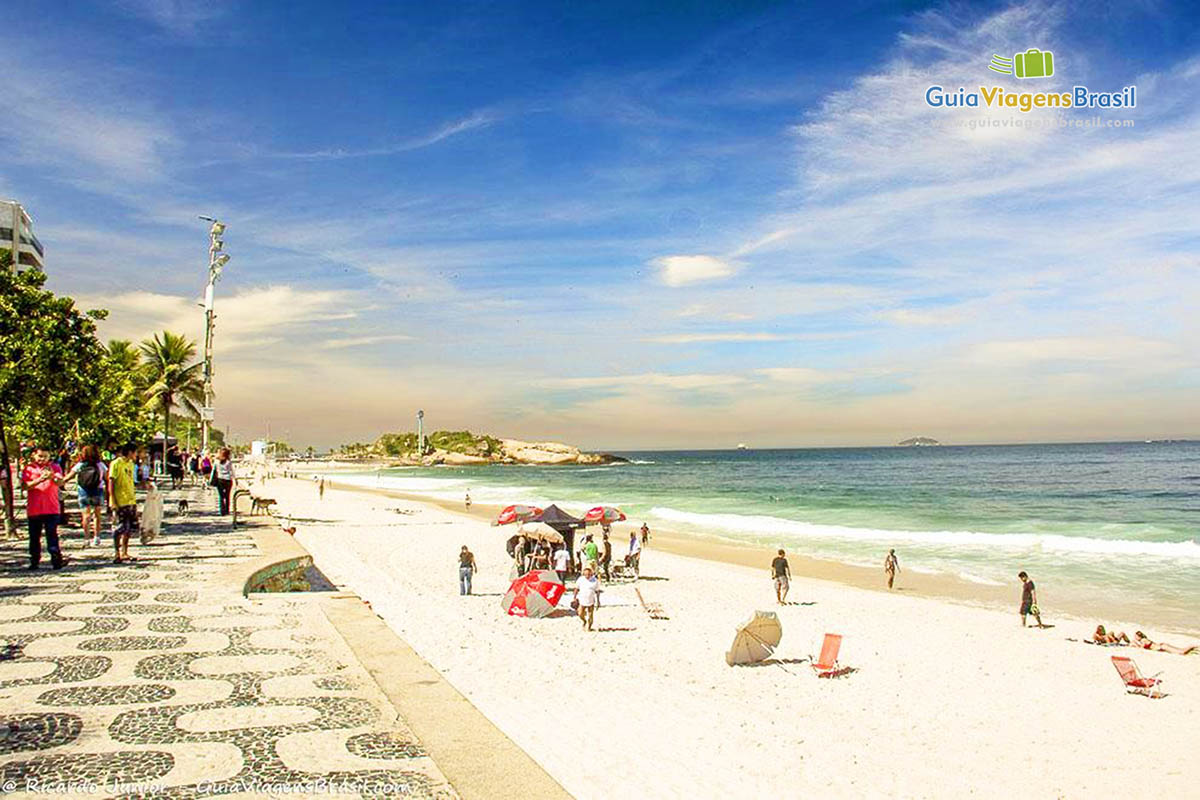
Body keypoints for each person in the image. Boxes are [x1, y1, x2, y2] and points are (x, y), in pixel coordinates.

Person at [20, 447, 68, 570]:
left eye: (45, 456)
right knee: (34, 537)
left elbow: (60, 482)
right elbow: (25, 486)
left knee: (52, 535)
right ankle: (34, 560)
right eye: (40, 456)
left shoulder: (55, 467)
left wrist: (52, 477)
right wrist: (39, 479)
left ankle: (56, 559)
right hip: (34, 509)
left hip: (51, 508)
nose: (42, 459)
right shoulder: (29, 468)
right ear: (34, 456)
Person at [69, 444, 107, 547]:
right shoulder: (101, 465)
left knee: (86, 516)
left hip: (83, 491)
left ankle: (86, 538)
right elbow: (107, 479)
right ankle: (97, 537)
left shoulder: (80, 465)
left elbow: (67, 477)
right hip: (97, 490)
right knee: (97, 515)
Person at [108, 443, 138, 564]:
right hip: (119, 501)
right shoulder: (116, 463)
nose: (136, 455)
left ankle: (125, 551)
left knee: (128, 528)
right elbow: (111, 482)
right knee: (118, 528)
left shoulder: (131, 464)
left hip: (130, 500)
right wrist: (112, 500)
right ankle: (116, 553)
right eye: (135, 452)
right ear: (130, 452)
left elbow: (132, 481)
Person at [574, 566, 600, 631]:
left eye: (588, 574)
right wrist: (574, 597)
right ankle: (584, 621)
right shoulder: (580, 579)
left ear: (591, 574)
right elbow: (576, 589)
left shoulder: (595, 581)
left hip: (591, 600)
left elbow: (597, 591)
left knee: (590, 615)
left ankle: (589, 627)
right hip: (582, 599)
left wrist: (598, 600)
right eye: (585, 574)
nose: (587, 576)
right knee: (580, 613)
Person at [211, 448, 236, 515]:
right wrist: (235, 479)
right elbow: (231, 471)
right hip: (228, 480)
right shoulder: (229, 462)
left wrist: (211, 480)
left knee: (221, 496)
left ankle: (222, 510)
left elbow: (214, 470)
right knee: (227, 495)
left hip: (220, 479)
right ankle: (227, 510)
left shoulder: (216, 461)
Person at [1133, 631, 1199, 655]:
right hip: (1162, 646)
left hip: (1162, 647)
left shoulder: (1143, 640)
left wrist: (1135, 644)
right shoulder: (1144, 640)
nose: (1135, 638)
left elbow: (1141, 648)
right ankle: (1195, 648)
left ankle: (1192, 646)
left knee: (1181, 652)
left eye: (1136, 637)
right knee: (1181, 651)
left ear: (1139, 637)